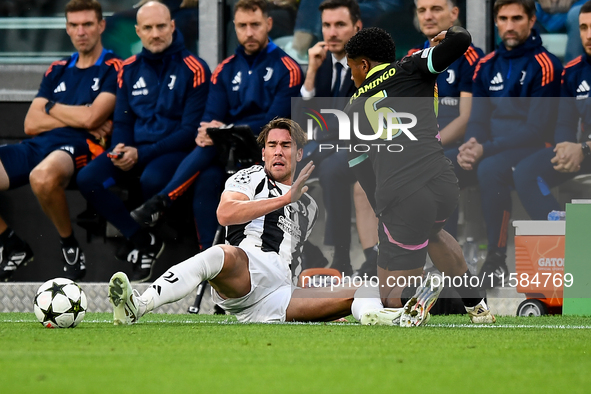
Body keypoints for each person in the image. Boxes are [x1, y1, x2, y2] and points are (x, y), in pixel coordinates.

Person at [107, 118, 437, 326]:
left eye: (286, 145)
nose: (278, 152)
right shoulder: (247, 177)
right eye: (272, 145)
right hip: (245, 274)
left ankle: (386, 319)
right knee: (220, 254)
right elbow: (225, 214)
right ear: (263, 153)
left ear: (299, 154)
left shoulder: (309, 205)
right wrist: (282, 199)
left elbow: (290, 253)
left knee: (364, 286)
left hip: (280, 295)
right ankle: (137, 305)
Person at [344, 26, 496, 324]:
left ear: (363, 65)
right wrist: (447, 33)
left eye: (352, 68)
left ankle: (421, 292)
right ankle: (477, 306)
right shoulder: (413, 64)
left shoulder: (352, 108)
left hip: (403, 196)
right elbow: (463, 41)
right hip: (443, 183)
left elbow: (360, 166)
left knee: (391, 303)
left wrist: (382, 207)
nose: (352, 76)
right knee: (434, 232)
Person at [130, 0, 303, 243]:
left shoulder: (288, 68)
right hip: (225, 150)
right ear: (234, 26)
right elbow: (212, 117)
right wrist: (212, 131)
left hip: (266, 152)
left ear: (269, 24)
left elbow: (272, 125)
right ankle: (210, 263)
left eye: (255, 24)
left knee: (215, 141)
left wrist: (222, 130)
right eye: (242, 26)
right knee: (206, 180)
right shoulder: (224, 69)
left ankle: (162, 201)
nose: (249, 32)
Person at [76, 1, 211, 282]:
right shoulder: (127, 68)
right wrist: (121, 148)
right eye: (147, 28)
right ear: (138, 31)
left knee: (151, 178)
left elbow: (189, 132)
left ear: (172, 26)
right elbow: (123, 120)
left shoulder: (195, 68)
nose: (155, 33)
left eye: (161, 26)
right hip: (135, 151)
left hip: (173, 151)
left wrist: (141, 154)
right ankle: (141, 240)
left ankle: (166, 237)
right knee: (88, 178)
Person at [0, 0, 120, 281]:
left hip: (79, 147)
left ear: (101, 26)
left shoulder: (114, 68)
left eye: (88, 24)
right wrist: (78, 114)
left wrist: (51, 107)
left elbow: (92, 120)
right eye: (74, 25)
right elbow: (31, 123)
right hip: (38, 144)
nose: (81, 31)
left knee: (42, 177)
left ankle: (69, 245)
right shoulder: (57, 68)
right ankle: (10, 243)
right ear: (66, 28)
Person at [456, 0, 562, 287]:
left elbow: (536, 130)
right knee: (442, 166)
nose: (510, 25)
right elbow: (477, 119)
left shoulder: (546, 64)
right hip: (489, 147)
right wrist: (469, 147)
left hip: (533, 148)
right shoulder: (485, 65)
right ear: (495, 21)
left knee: (491, 169)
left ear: (531, 20)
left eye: (517, 18)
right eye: (503, 18)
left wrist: (483, 150)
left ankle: (495, 258)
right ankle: (445, 261)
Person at [298, 0, 378, 277]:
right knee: (276, 174)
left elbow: (359, 121)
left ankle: (341, 256)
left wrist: (318, 148)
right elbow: (302, 120)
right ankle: (307, 252)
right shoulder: (320, 64)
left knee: (332, 169)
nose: (331, 33)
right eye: (326, 26)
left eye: (340, 25)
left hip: (360, 144)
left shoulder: (370, 65)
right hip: (322, 147)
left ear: (357, 27)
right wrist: (309, 74)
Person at [407, 0, 484, 238]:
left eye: (436, 9)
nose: (428, 16)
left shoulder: (470, 56)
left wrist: (429, 146)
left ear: (454, 14)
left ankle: (443, 261)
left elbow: (466, 118)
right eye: (422, 10)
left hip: (453, 147)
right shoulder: (411, 57)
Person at [513, 1, 591, 218]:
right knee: (526, 172)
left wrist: (583, 148)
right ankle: (561, 235)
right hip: (585, 153)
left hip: (586, 149)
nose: (589, 35)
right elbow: (565, 123)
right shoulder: (573, 71)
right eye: (583, 28)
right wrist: (565, 149)